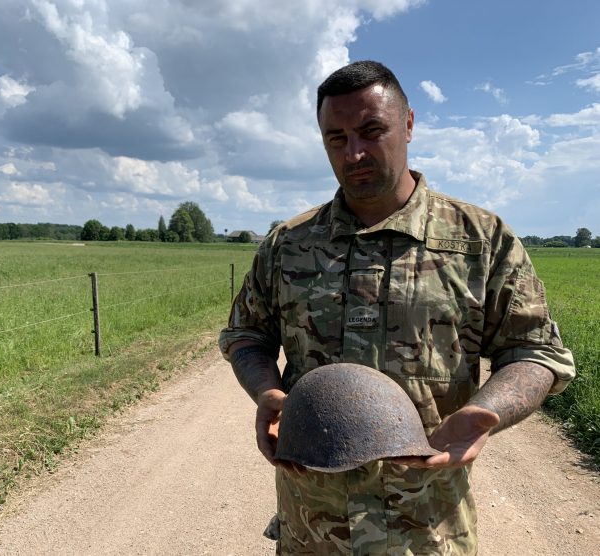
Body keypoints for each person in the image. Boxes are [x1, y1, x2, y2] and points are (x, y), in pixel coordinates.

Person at [218, 60, 575, 555]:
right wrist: (267, 392)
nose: (355, 152)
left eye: (371, 130)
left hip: (427, 529)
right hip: (313, 527)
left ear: (408, 124)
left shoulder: (480, 240)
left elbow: (535, 352)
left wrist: (483, 412)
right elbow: (246, 336)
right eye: (336, 138)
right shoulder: (288, 244)